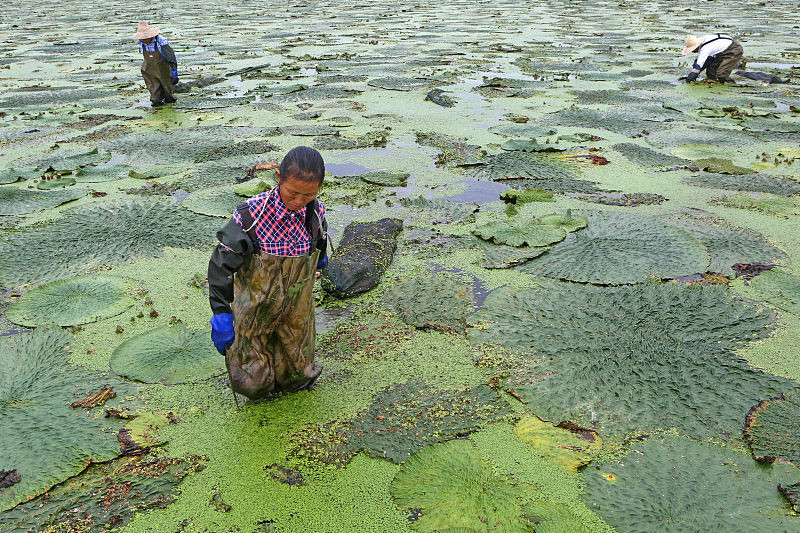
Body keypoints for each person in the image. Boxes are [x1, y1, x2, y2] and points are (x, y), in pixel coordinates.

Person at [208, 147, 330, 401]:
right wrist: (221, 312)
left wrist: (321, 255)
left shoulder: (316, 213)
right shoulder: (250, 216)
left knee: (299, 377)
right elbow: (220, 265)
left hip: (297, 312)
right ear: (278, 177)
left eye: (308, 195)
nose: (298, 202)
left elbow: (319, 242)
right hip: (256, 308)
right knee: (251, 382)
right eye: (293, 193)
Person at [131, 21, 178, 107]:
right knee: (155, 97)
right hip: (150, 71)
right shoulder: (141, 43)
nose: (143, 40)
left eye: (145, 38)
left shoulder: (160, 41)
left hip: (163, 69)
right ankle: (157, 102)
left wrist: (174, 71)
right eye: (142, 38)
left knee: (169, 95)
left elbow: (170, 56)